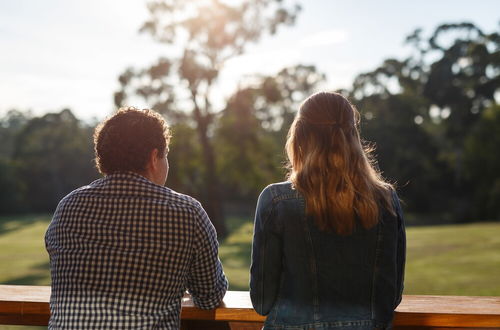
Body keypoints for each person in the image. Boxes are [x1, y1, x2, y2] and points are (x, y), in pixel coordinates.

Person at [45, 107, 228, 329]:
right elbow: (209, 297)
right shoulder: (186, 212)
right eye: (166, 155)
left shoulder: (68, 207)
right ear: (154, 157)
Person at [250, 92, 406, 330]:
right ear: (353, 137)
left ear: (299, 137)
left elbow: (261, 301)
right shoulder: (386, 200)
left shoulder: (275, 201)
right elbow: (391, 297)